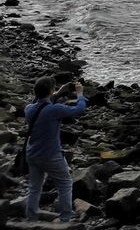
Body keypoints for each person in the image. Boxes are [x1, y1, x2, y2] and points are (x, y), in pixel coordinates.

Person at [24, 77, 88, 224]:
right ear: (51, 91)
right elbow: (80, 109)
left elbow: (41, 103)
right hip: (51, 155)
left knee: (34, 187)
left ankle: (31, 216)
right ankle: (65, 218)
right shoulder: (55, 110)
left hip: (32, 154)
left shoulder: (29, 109)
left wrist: (58, 92)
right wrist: (80, 94)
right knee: (65, 183)